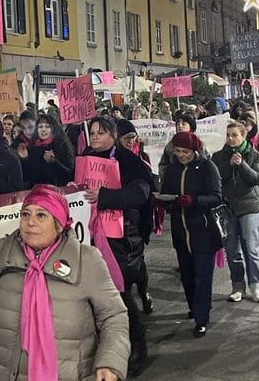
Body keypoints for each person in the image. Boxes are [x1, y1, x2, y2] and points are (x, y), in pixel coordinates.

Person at [0, 185, 129, 381]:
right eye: (25, 214)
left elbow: (114, 317)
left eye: (41, 216)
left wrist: (110, 362)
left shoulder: (86, 259)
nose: (30, 223)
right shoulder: (4, 250)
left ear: (59, 223)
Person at [81, 117, 155, 375]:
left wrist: (105, 197)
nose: (95, 137)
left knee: (119, 297)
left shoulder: (129, 161)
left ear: (113, 135)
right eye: (92, 133)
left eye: (100, 132)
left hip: (123, 239)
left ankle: (137, 347)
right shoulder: (85, 158)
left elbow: (141, 193)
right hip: (92, 236)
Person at [160, 131, 223, 337]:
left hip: (203, 231)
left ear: (194, 150)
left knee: (202, 276)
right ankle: (194, 307)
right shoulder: (172, 170)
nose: (181, 155)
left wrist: (194, 201)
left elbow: (216, 197)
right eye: (178, 151)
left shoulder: (207, 168)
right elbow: (168, 193)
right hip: (181, 231)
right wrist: (162, 201)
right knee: (187, 275)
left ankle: (202, 317)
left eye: (185, 151)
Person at [212, 121, 259, 303]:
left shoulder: (254, 155)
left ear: (243, 136)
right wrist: (229, 164)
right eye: (228, 135)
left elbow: (257, 178)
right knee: (232, 250)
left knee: (251, 248)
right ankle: (237, 285)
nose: (231, 139)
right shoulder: (218, 156)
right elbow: (216, 178)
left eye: (235, 135)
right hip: (227, 207)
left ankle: (256, 284)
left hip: (249, 206)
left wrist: (242, 165)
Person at [17, 114, 74, 187]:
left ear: (53, 129)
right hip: (38, 192)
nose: (43, 129)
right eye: (40, 127)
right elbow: (27, 178)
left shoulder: (62, 146)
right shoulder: (32, 148)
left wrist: (54, 161)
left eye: (47, 126)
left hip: (57, 192)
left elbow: (69, 174)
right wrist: (24, 159)